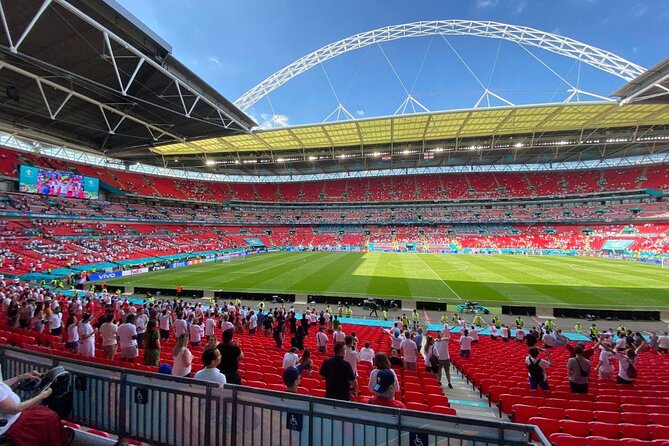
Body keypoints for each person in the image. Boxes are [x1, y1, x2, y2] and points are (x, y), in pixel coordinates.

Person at [0, 370, 73, 446]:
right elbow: (15, 409)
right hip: (11, 422)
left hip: (10, 418)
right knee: (49, 416)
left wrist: (19, 378)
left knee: (42, 410)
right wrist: (41, 396)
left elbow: (2, 385)